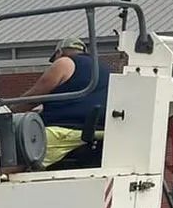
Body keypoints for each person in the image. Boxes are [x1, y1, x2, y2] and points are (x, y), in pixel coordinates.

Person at [24, 38, 110, 168]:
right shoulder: (104, 68)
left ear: (59, 53)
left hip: (65, 130)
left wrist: (6, 111)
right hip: (100, 128)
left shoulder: (64, 63)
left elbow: (32, 98)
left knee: (17, 150)